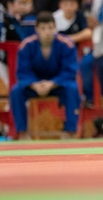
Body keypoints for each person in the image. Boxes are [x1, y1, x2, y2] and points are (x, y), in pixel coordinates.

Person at [10, 12, 81, 140]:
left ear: (55, 27)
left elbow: (70, 71)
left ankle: (71, 132)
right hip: (34, 85)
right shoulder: (27, 45)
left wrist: (52, 83)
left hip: (58, 85)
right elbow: (23, 71)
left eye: (50, 28)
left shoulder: (66, 44)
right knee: (16, 91)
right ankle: (22, 133)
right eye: (43, 28)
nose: (47, 32)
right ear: (36, 29)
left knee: (73, 88)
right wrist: (34, 84)